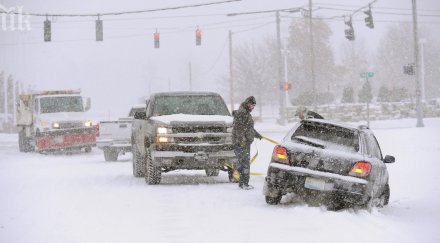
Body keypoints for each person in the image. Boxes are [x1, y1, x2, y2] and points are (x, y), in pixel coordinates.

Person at [232, 96, 262, 190]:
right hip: (241, 143)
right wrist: (242, 142)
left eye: (253, 106)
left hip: (244, 142)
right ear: (247, 103)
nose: (252, 107)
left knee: (244, 163)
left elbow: (248, 128)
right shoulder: (242, 113)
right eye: (251, 105)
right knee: (244, 163)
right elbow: (239, 129)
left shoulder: (246, 113)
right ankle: (244, 183)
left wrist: (257, 135)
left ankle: (243, 183)